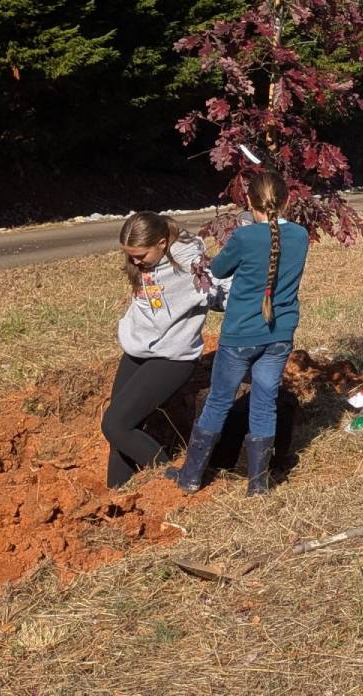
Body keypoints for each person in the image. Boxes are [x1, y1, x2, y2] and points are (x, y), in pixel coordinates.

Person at [168, 172, 310, 496]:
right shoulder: (301, 236)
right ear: (288, 201)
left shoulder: (245, 239)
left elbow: (218, 271)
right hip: (279, 334)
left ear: (249, 202)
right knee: (265, 403)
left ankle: (191, 475)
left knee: (218, 401)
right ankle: (257, 484)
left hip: (241, 335)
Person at [105, 213, 220, 490]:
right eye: (129, 255)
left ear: (162, 243)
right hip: (137, 348)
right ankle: (117, 494)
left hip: (171, 356)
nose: (134, 262)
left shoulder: (192, 265)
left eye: (140, 255)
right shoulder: (143, 260)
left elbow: (221, 293)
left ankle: (171, 480)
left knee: (115, 425)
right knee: (122, 427)